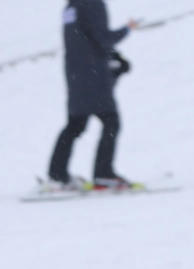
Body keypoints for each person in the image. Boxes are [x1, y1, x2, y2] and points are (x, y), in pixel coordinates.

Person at [46, 0, 138, 190]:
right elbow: (103, 38)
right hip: (93, 74)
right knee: (111, 121)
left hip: (75, 73)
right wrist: (127, 29)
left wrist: (113, 56)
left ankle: (57, 175)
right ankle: (103, 174)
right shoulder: (92, 3)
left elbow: (84, 37)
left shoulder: (71, 5)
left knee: (76, 124)